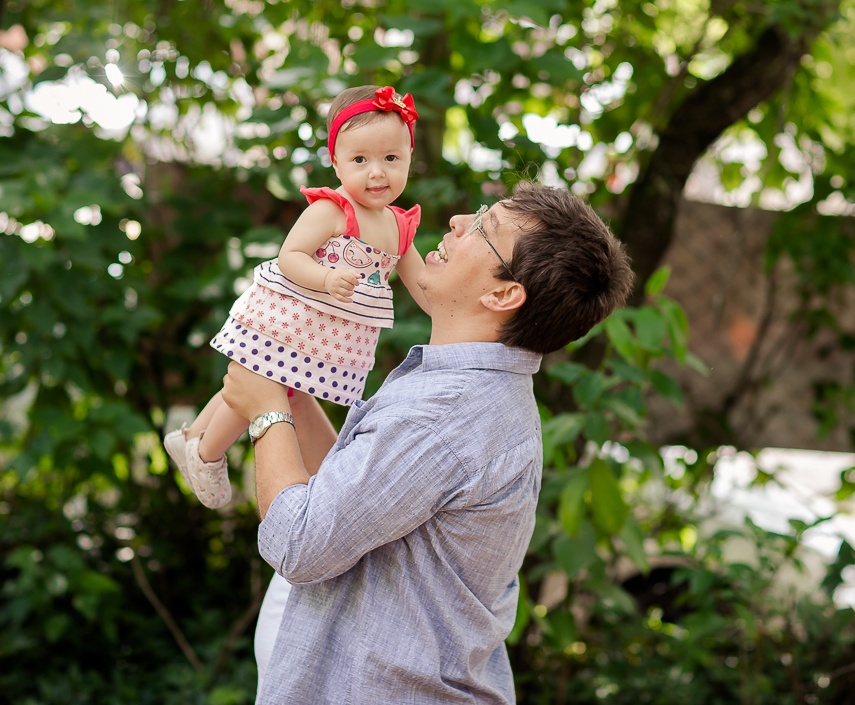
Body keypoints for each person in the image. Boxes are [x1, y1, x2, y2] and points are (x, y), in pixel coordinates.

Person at [220, 182, 635, 704]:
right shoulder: (475, 394)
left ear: (503, 294)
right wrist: (296, 402)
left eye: (484, 227)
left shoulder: (444, 415)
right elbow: (357, 501)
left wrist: (266, 413)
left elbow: (299, 543)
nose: (459, 220)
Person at [164, 84, 429, 508]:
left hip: (328, 331)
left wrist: (450, 310)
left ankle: (192, 436)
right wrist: (325, 278)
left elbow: (423, 286)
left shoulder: (400, 227)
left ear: (409, 158)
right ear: (337, 163)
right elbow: (291, 255)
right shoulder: (332, 209)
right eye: (360, 160)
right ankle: (205, 452)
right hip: (295, 312)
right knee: (259, 378)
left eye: (391, 158)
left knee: (269, 378)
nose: (376, 172)